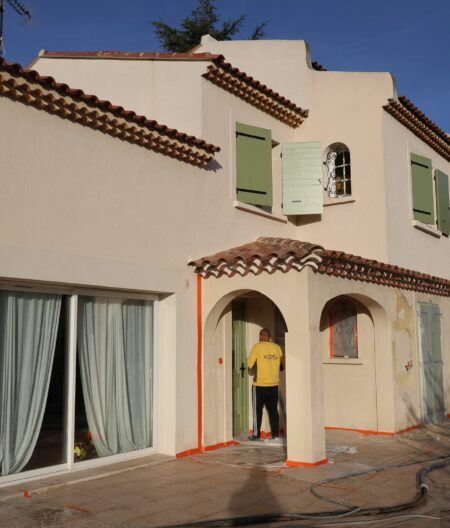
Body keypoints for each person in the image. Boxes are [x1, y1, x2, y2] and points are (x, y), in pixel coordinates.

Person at [247, 328, 284, 441]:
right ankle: (275, 435)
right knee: (273, 411)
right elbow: (282, 366)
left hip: (259, 385)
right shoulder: (277, 348)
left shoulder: (257, 347)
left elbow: (250, 365)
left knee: (257, 411)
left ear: (260, 336)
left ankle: (256, 435)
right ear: (269, 337)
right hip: (274, 385)